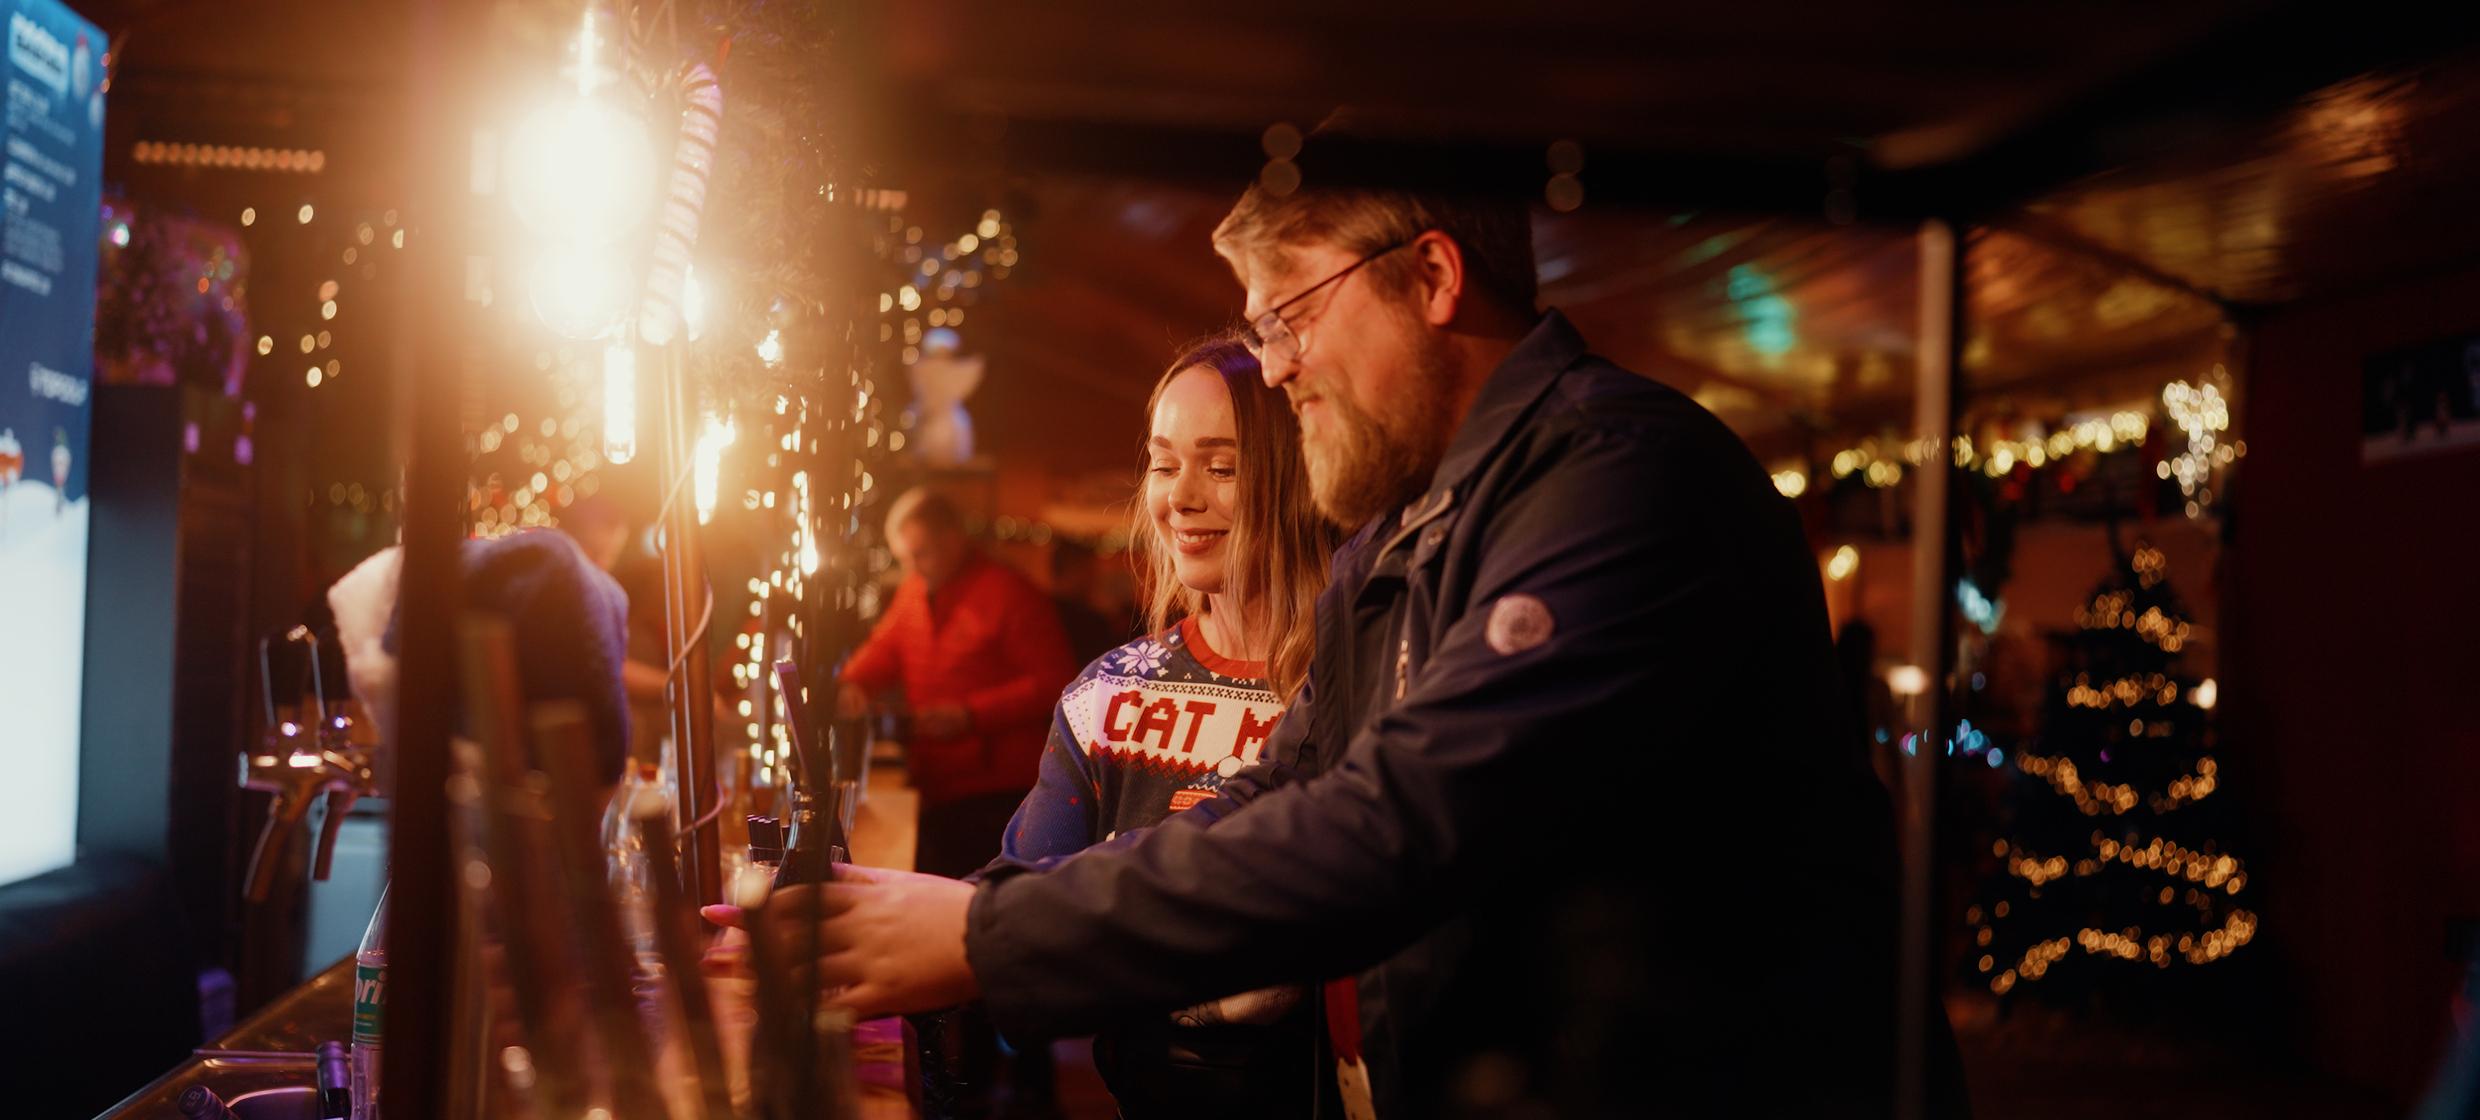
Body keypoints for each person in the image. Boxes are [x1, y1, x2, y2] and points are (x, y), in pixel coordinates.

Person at [715, 175, 1955, 1116]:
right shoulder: (1404, 530)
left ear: (1430, 277)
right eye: (1259, 327)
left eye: (1292, 314)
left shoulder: (1617, 479)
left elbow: (1395, 823)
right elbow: (1281, 790)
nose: (1274, 365)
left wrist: (987, 937)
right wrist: (980, 910)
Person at [996, 334, 1338, 1117]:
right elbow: (1016, 938)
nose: (1181, 497)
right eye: (1162, 462)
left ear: (1295, 480)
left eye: (1220, 467)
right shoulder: (1108, 696)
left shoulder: (1363, 688)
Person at [836, 486, 1079, 879]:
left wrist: (970, 716)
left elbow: (1056, 682)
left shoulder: (1008, 593)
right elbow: (885, 649)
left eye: (921, 554)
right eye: (905, 558)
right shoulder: (916, 589)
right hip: (938, 781)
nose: (913, 567)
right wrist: (851, 685)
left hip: (998, 791)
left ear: (952, 539)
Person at [1044, 537, 1125, 668]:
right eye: (1090, 570)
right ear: (1074, 569)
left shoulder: (1042, 610)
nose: (1094, 577)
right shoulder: (1089, 621)